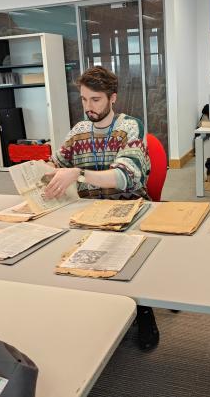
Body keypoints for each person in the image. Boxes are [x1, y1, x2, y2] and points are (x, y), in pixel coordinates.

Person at [45, 66, 159, 350]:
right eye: (84, 99)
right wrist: (47, 169)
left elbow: (125, 177)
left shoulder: (129, 127)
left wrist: (78, 174)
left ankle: (144, 312)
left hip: (128, 206)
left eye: (95, 99)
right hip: (88, 208)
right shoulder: (79, 131)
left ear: (112, 98)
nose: (88, 107)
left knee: (127, 258)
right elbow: (57, 162)